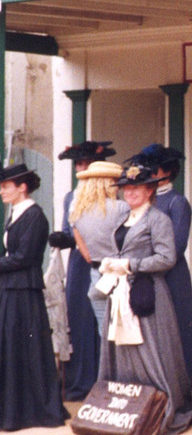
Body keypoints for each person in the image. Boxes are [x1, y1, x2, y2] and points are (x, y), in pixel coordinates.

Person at [98, 163, 192, 435]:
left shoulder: (158, 219)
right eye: (127, 188)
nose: (130, 193)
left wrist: (130, 264)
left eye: (136, 188)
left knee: (150, 349)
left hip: (146, 293)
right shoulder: (122, 219)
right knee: (123, 350)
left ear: (150, 189)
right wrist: (112, 264)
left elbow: (167, 258)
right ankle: (124, 410)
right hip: (120, 291)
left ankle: (159, 408)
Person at [0, 163, 68, 431]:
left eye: (6, 186)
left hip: (24, 291)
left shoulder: (35, 216)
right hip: (9, 288)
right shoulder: (15, 213)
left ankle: (30, 411)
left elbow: (25, 257)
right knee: (9, 346)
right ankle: (11, 409)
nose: (2, 191)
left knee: (23, 347)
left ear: (22, 187)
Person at [49, 140, 118, 401]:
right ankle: (78, 381)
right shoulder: (70, 197)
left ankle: (104, 380)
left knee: (102, 320)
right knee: (78, 319)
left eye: (87, 163)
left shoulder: (109, 196)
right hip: (79, 264)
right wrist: (63, 239)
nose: (82, 168)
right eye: (78, 164)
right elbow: (71, 232)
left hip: (104, 263)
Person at [126, 144, 192, 378]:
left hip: (172, 275)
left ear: (163, 172)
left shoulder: (177, 202)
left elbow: (177, 246)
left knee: (178, 328)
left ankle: (186, 384)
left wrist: (149, 262)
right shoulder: (146, 202)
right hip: (148, 274)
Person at [62, 160, 131, 401]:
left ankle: (108, 388)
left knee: (105, 336)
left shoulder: (77, 213)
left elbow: (87, 254)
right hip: (121, 276)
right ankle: (127, 386)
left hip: (96, 276)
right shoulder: (122, 208)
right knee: (126, 335)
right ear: (109, 183)